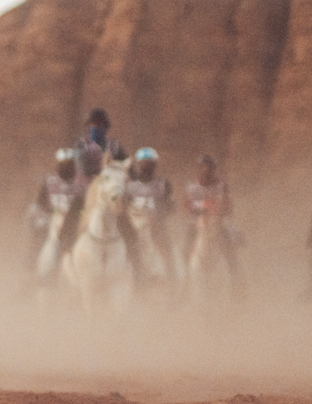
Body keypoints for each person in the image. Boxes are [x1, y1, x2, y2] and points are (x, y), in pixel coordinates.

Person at [183, 154, 242, 295]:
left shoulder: (221, 186)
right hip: (196, 224)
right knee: (185, 250)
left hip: (217, 223)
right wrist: (203, 207)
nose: (206, 171)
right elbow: (186, 205)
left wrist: (219, 210)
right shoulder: (191, 187)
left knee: (230, 249)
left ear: (214, 169)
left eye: (209, 168)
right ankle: (186, 284)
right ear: (199, 169)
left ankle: (237, 287)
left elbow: (228, 205)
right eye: (203, 168)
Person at [30, 147, 89, 271]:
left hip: (74, 222)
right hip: (52, 220)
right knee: (37, 244)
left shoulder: (81, 184)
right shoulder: (49, 181)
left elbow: (86, 205)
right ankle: (31, 276)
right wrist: (42, 219)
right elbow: (40, 204)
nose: (67, 167)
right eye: (64, 164)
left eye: (70, 164)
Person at [124, 146, 177, 282]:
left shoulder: (163, 184)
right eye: (143, 162)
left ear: (155, 165)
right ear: (138, 164)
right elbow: (122, 207)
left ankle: (171, 280)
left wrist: (159, 216)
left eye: (150, 163)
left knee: (168, 249)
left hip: (156, 227)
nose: (146, 166)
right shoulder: (129, 186)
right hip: (134, 228)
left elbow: (172, 206)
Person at [74, 109, 122, 179]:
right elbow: (81, 166)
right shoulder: (81, 144)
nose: (96, 127)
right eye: (93, 124)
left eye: (99, 124)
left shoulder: (113, 146)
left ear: (105, 126)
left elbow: (121, 166)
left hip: (107, 181)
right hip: (86, 182)